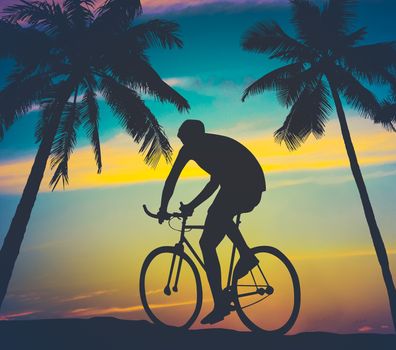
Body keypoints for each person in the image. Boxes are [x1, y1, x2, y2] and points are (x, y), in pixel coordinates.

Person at [157, 120, 266, 325]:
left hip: (248, 184)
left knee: (215, 223)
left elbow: (216, 183)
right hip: (238, 185)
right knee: (212, 233)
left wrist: (186, 206)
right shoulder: (190, 150)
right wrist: (168, 207)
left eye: (184, 137)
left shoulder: (212, 147)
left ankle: (246, 258)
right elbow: (172, 179)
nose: (181, 141)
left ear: (194, 137)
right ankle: (224, 296)